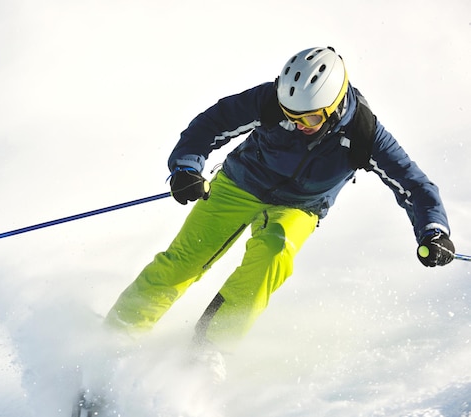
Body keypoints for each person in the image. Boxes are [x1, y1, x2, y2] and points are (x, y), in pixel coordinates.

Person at [104, 46, 455, 380]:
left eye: (312, 118)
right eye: (291, 116)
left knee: (274, 254)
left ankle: (207, 348)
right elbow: (210, 124)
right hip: (241, 183)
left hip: (300, 206)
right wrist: (186, 168)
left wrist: (433, 230)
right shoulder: (271, 102)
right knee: (184, 258)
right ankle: (115, 338)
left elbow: (413, 184)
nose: (299, 124)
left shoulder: (364, 134)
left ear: (333, 108)